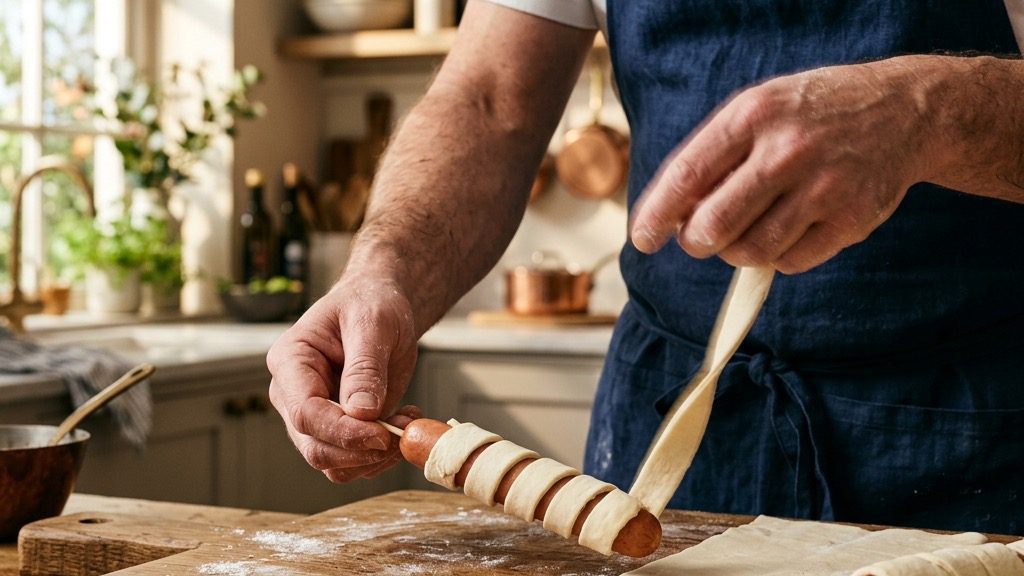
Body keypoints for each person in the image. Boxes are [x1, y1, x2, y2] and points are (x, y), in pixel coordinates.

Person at [268, 0, 1024, 534]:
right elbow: (489, 103)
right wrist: (382, 272)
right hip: (673, 407)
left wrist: (930, 111)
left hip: (971, 420)